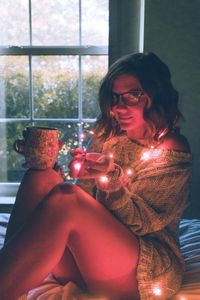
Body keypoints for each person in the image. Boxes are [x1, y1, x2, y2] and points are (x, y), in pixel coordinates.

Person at [0, 52, 192, 300]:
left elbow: (143, 223)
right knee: (40, 178)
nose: (119, 107)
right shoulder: (107, 138)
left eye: (133, 95)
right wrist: (52, 169)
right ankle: (7, 273)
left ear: (156, 96)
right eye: (115, 97)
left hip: (143, 269)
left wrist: (110, 176)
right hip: (89, 264)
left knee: (67, 197)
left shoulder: (171, 148)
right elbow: (85, 205)